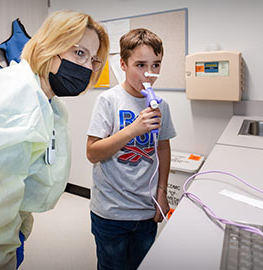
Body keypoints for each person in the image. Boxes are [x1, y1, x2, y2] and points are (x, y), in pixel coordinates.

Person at [0, 10, 109, 270]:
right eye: (79, 53)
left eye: (93, 60)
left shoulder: (45, 99)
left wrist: (18, 231)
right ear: (49, 46)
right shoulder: (15, 102)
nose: (88, 68)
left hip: (9, 227)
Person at [86, 28, 176, 270]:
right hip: (111, 213)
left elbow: (163, 148)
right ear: (123, 65)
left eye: (156, 65)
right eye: (140, 65)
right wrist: (132, 130)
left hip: (146, 212)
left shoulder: (161, 106)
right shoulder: (108, 101)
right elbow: (92, 152)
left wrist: (162, 191)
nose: (149, 74)